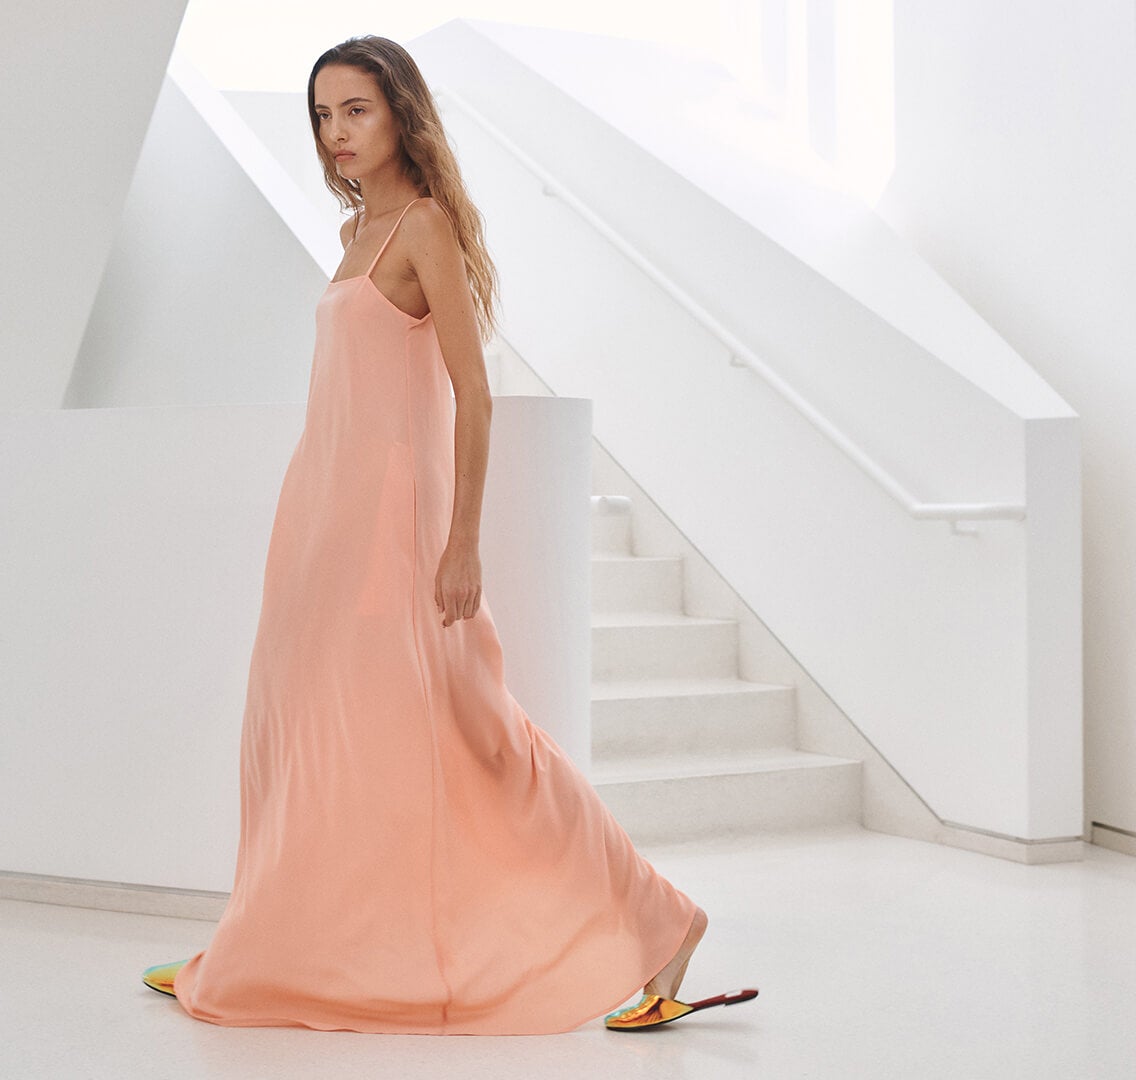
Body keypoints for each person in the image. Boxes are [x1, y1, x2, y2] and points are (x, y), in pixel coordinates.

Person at [140, 34, 757, 1034]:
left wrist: (461, 541)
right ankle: (260, 939)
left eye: (356, 111)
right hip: (320, 524)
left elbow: (476, 397)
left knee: (478, 733)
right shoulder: (353, 235)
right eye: (324, 114)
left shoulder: (422, 228)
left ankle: (662, 918)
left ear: (401, 115)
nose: (337, 133)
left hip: (395, 532)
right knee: (304, 734)